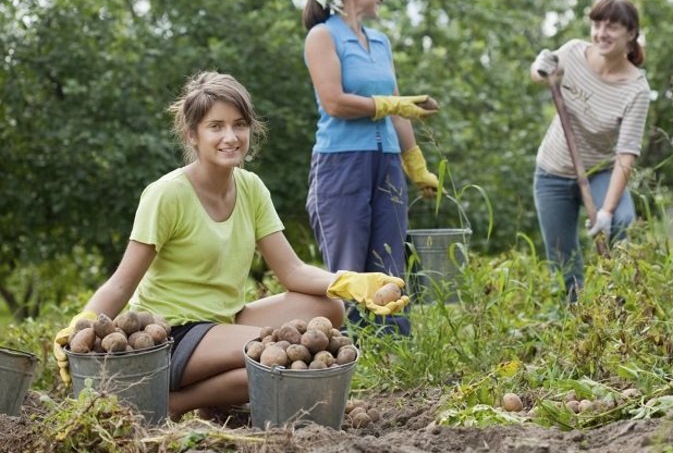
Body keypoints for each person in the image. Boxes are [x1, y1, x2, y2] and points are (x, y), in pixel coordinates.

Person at [53, 71, 409, 421]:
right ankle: (176, 402)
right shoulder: (167, 195)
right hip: (173, 334)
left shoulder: (251, 188)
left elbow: (292, 271)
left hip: (226, 318)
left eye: (239, 124)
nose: (231, 136)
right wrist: (81, 323)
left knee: (327, 310)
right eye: (216, 126)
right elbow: (120, 283)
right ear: (192, 135)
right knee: (276, 354)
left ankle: (213, 399)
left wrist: (353, 283)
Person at [301, 0, 440, 335]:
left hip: (388, 162)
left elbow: (399, 110)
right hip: (341, 163)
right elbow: (334, 102)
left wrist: (416, 165)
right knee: (348, 263)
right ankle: (349, 349)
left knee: (389, 257)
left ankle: (393, 346)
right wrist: (387, 104)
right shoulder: (323, 36)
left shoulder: (379, 42)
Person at [530, 0, 651, 302]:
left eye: (611, 27)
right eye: (597, 24)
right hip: (552, 172)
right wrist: (539, 67)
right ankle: (576, 320)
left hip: (601, 172)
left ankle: (623, 306)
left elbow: (626, 155)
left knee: (622, 223)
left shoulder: (636, 89)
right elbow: (541, 74)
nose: (601, 33)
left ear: (631, 33)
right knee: (562, 259)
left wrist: (607, 212)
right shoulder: (572, 53)